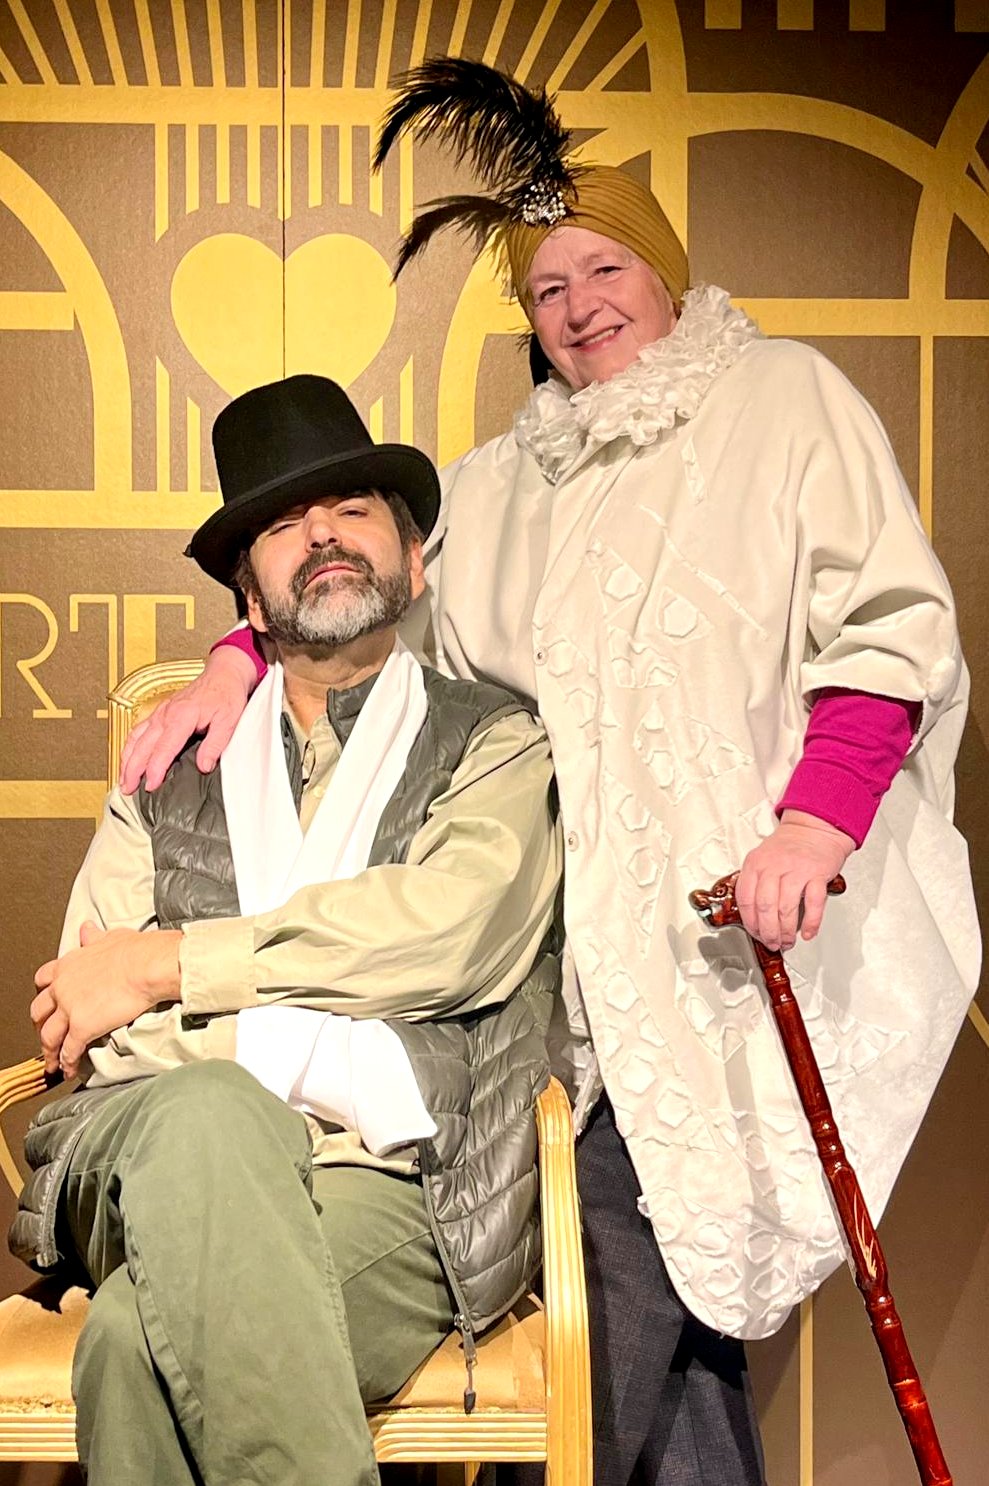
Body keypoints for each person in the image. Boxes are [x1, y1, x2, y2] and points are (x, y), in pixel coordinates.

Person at [117, 60, 981, 1486]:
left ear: (661, 268)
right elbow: (365, 609)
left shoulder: (783, 400)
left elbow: (884, 627)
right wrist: (234, 659)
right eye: (546, 289)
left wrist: (815, 824)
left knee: (635, 1286)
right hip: (569, 961)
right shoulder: (503, 481)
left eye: (603, 269)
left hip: (742, 934)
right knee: (651, 1299)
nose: (578, 307)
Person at [12, 373, 563, 1486]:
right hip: (141, 1156)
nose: (320, 534)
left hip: (396, 1180)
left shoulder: (493, 742)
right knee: (210, 1114)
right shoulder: (166, 771)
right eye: (281, 525)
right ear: (251, 607)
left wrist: (172, 967)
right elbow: (94, 1013)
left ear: (414, 563)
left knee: (132, 1346)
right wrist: (301, 1034)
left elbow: (447, 936)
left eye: (353, 508)